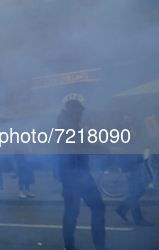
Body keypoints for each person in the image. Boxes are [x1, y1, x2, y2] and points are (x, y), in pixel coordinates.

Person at [57, 100, 109, 250]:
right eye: (77, 112)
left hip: (80, 175)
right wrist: (108, 149)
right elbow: (84, 145)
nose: (79, 115)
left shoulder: (70, 125)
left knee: (80, 211)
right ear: (69, 111)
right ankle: (96, 245)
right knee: (77, 211)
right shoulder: (66, 127)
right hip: (72, 177)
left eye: (81, 113)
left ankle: (88, 245)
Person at [115, 154, 154, 226]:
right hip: (131, 167)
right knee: (135, 193)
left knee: (140, 191)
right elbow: (121, 154)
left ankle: (121, 208)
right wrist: (125, 170)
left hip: (136, 165)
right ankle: (138, 219)